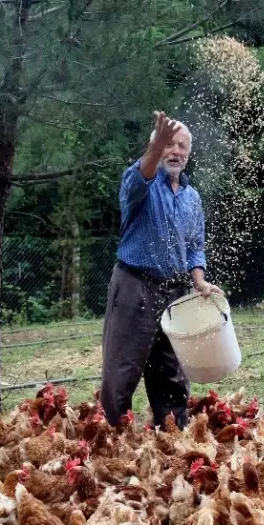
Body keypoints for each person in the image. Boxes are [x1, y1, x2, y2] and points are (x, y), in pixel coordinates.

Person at [100, 111, 223, 430]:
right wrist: (156, 145)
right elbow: (141, 174)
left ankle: (170, 441)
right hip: (135, 288)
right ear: (155, 147)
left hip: (175, 292)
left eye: (182, 146)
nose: (176, 151)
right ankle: (115, 441)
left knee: (171, 374)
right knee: (122, 371)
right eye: (169, 144)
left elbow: (195, 245)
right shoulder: (139, 184)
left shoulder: (191, 198)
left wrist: (199, 280)